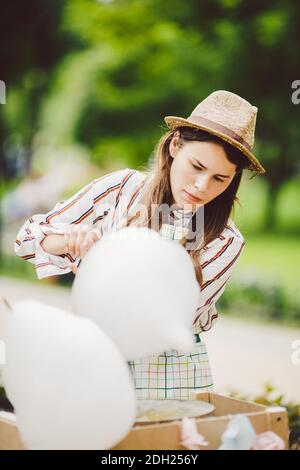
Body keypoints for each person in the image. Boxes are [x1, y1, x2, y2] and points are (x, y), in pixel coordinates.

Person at [15, 90, 266, 400]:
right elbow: (27, 239)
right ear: (175, 145)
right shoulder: (121, 189)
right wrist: (66, 240)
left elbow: (162, 320)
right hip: (98, 365)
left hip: (172, 383)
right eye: (197, 167)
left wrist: (102, 264)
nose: (202, 187)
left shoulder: (225, 241)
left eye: (220, 178)